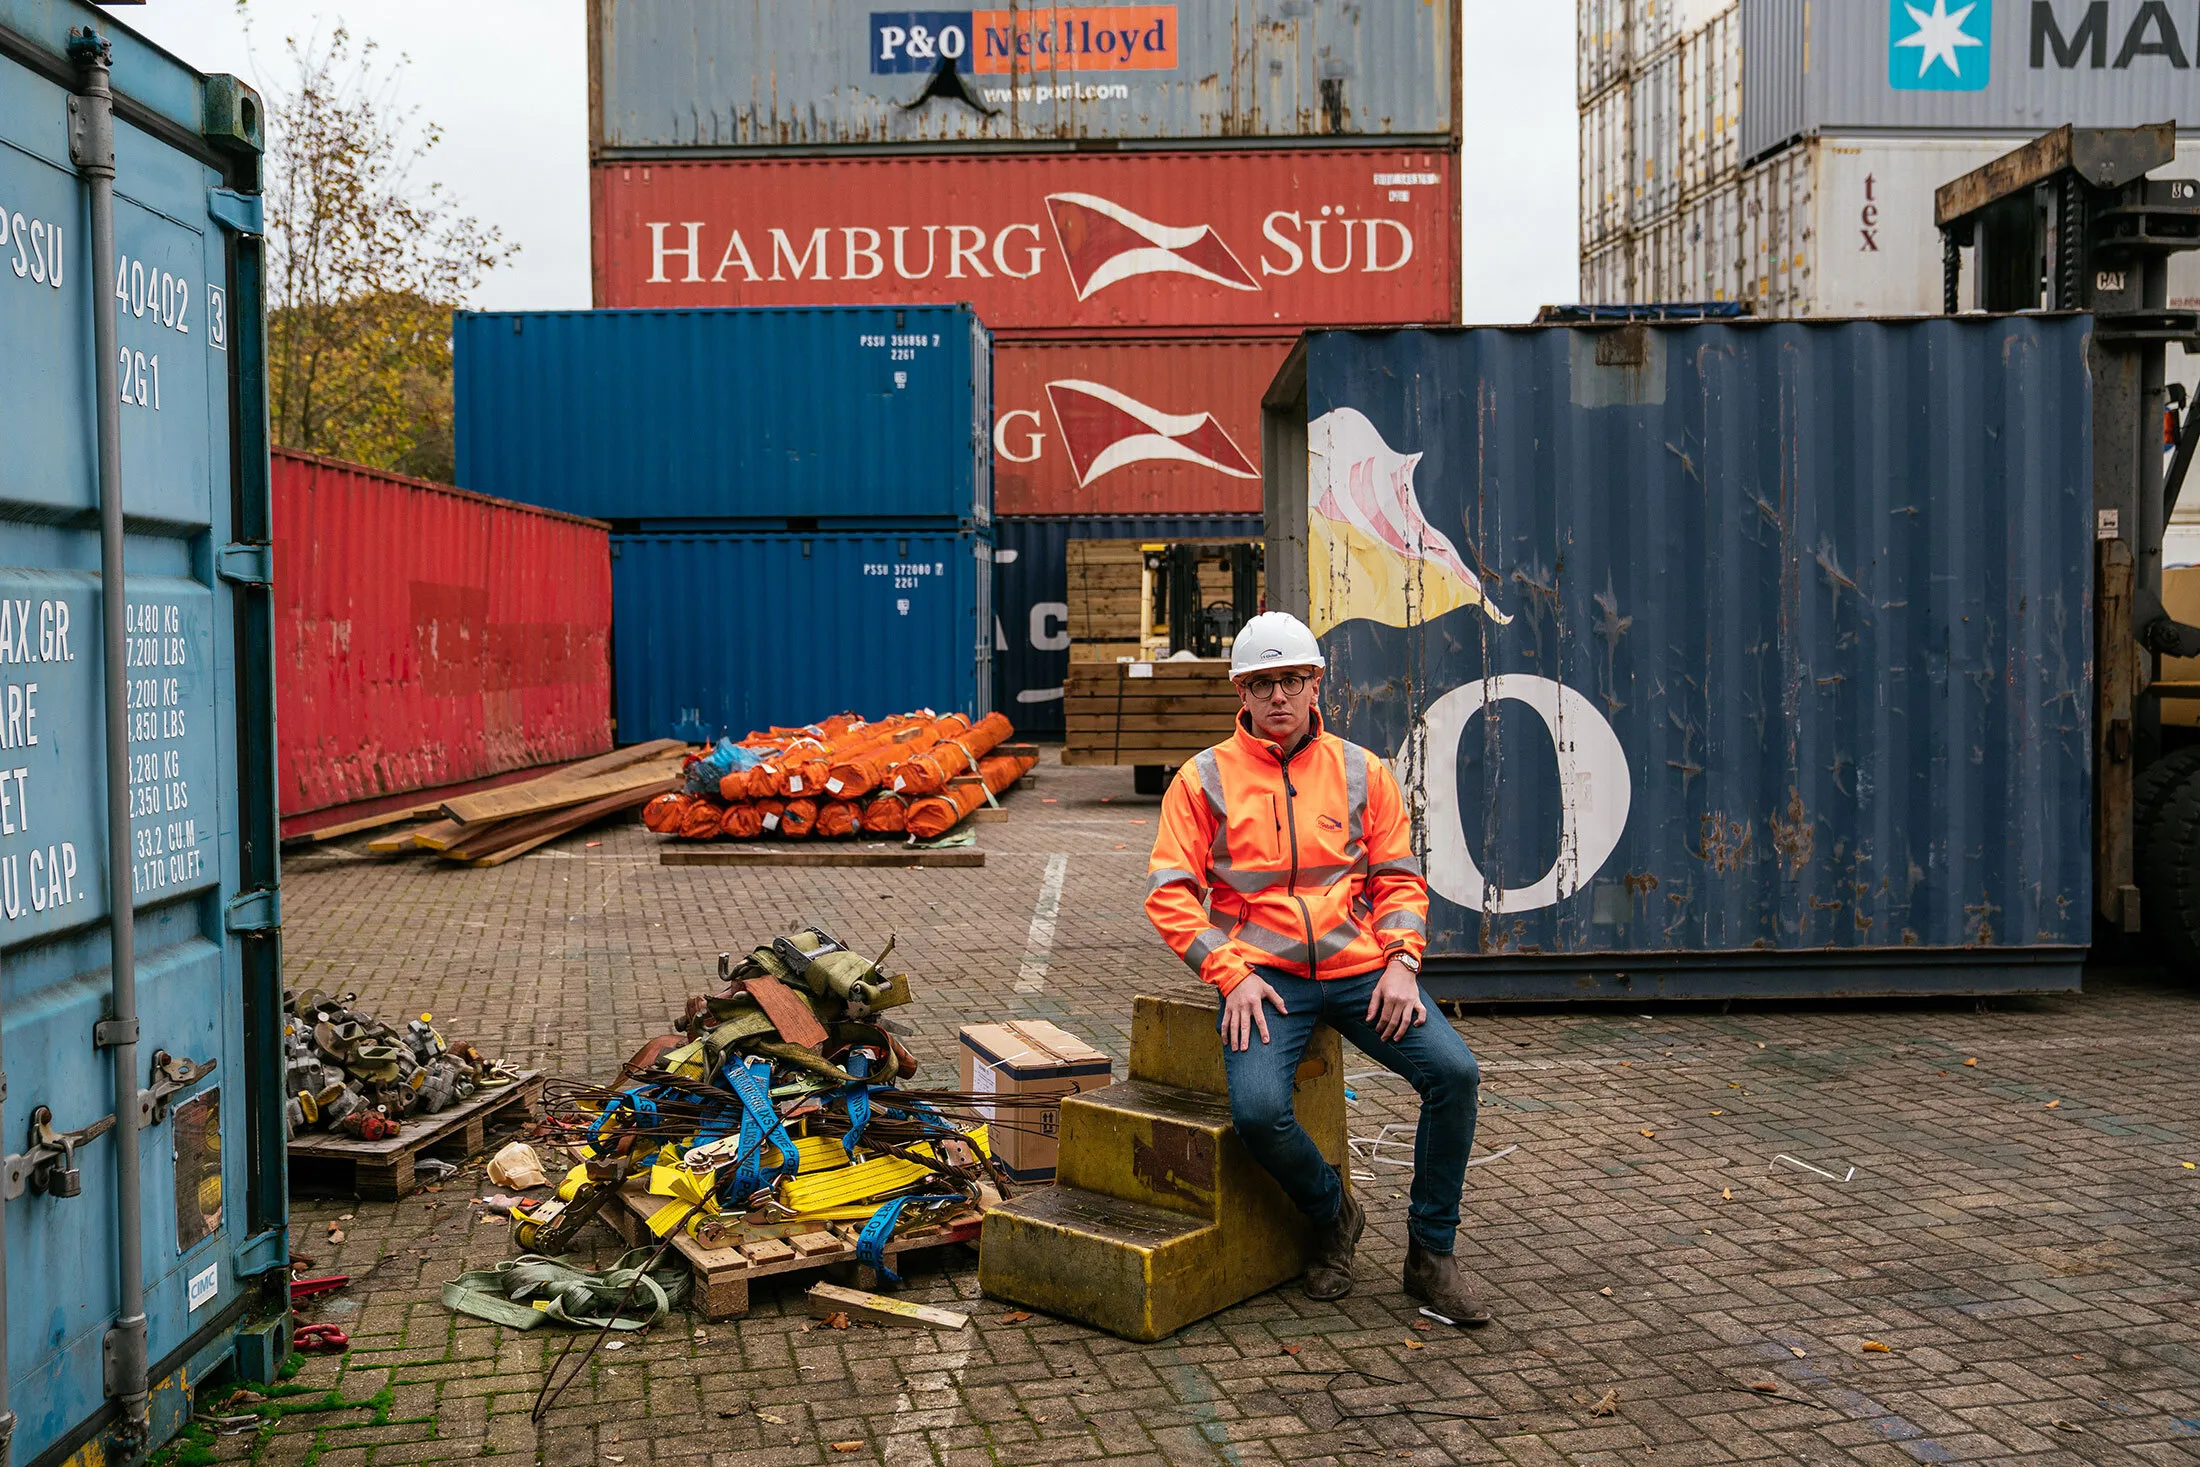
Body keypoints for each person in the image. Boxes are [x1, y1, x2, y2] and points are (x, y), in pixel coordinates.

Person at [1143, 612, 1489, 1325]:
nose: (1277, 695)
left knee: (1454, 1073)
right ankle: (1334, 1214)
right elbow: (1170, 893)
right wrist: (1230, 973)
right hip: (1266, 978)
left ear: (1315, 683)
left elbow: (1397, 879)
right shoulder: (1202, 778)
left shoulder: (1364, 771)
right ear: (1240, 689)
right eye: (1262, 682)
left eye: (1290, 679)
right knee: (1260, 1112)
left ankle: (1431, 1252)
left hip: (1362, 970)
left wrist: (1401, 962)